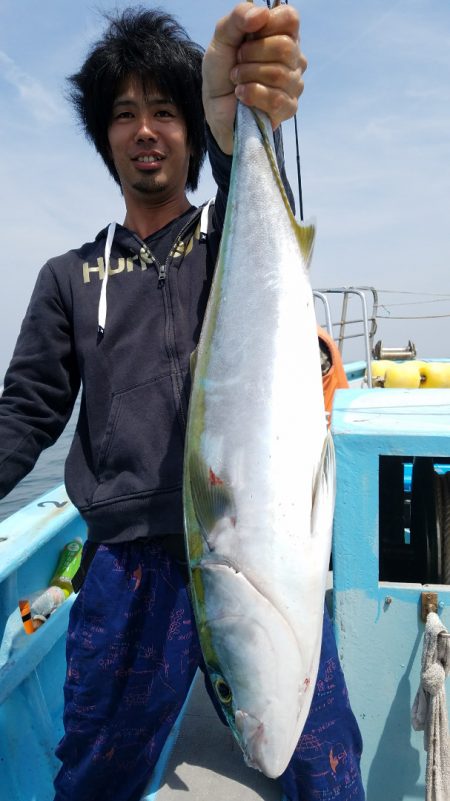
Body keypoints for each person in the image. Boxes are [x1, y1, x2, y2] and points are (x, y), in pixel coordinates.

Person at [0, 4, 364, 800]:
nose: (145, 130)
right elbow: (25, 411)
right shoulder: (70, 277)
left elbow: (255, 197)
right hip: (125, 570)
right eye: (124, 114)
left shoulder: (227, 233)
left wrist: (240, 117)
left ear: (192, 133)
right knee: (95, 772)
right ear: (105, 139)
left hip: (258, 539)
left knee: (323, 761)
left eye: (165, 110)